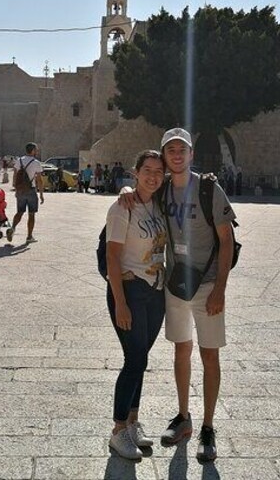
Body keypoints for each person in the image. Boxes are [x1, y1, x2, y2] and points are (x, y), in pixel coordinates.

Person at [121, 127, 236, 461]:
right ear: (164, 155)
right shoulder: (164, 188)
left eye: (181, 150)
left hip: (208, 285)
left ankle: (208, 427)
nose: (176, 155)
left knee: (209, 355)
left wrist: (221, 290)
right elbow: (140, 191)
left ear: (191, 155)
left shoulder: (209, 189)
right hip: (175, 285)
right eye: (170, 150)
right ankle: (184, 417)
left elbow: (226, 240)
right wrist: (127, 188)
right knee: (181, 351)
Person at [105, 150, 168, 460]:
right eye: (147, 170)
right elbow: (112, 257)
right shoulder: (122, 207)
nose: (153, 176)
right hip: (128, 290)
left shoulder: (159, 204)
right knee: (134, 360)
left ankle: (133, 422)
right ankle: (118, 430)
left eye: (159, 171)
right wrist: (120, 303)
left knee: (141, 358)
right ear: (136, 171)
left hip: (155, 293)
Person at [7, 142, 44, 244]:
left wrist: (15, 189)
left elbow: (15, 175)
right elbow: (39, 180)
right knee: (31, 214)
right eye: (36, 149)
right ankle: (29, 236)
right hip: (31, 190)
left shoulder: (19, 161)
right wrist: (41, 194)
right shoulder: (36, 163)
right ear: (32, 151)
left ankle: (13, 228)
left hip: (21, 190)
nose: (37, 151)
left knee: (20, 212)